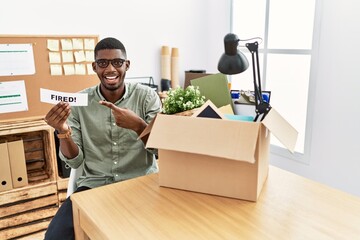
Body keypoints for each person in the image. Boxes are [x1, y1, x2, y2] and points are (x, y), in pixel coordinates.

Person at [44, 37, 162, 240]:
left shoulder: (147, 97)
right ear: (94, 67)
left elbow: (159, 150)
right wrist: (63, 131)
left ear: (127, 65)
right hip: (94, 186)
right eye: (103, 63)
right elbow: (75, 160)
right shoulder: (80, 102)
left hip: (141, 184)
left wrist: (138, 126)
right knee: (55, 237)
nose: (110, 69)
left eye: (117, 62)